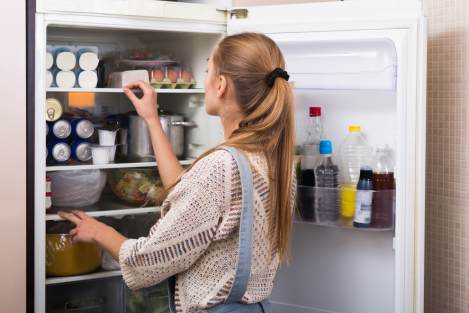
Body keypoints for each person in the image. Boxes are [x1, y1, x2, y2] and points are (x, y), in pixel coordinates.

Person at [59, 32, 296, 313]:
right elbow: (186, 192)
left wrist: (98, 230)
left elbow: (147, 263)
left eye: (209, 71)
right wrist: (150, 118)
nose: (206, 79)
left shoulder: (220, 167)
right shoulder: (272, 160)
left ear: (220, 85)